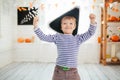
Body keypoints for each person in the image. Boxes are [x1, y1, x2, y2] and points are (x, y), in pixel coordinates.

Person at [33, 7, 97, 80]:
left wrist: (92, 21)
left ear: (74, 26)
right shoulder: (57, 37)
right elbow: (43, 37)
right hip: (59, 71)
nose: (68, 25)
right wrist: (35, 26)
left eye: (71, 23)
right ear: (61, 27)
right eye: (64, 23)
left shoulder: (78, 38)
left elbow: (90, 33)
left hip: (73, 71)